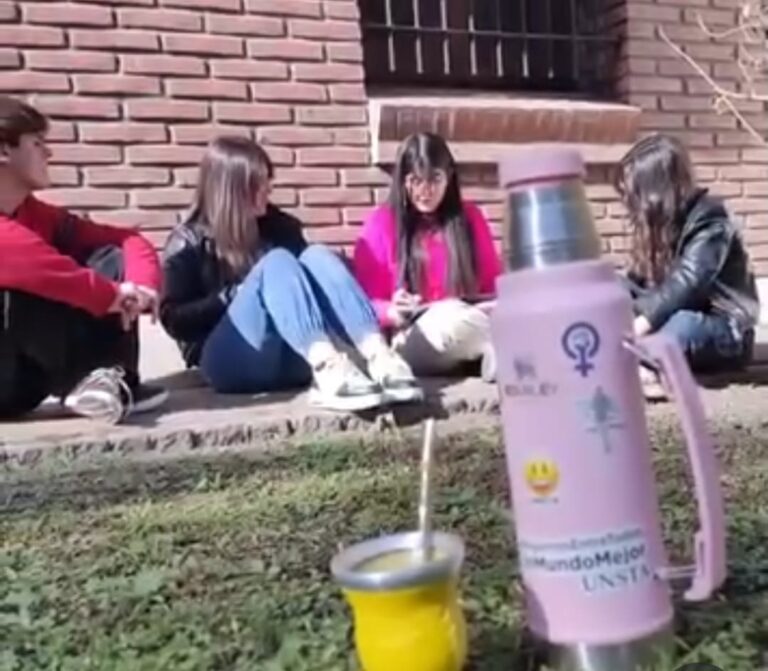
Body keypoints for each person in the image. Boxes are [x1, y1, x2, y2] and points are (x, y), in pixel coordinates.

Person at [159, 135, 421, 412]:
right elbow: (174, 320)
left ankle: (379, 356)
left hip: (293, 357)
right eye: (259, 183)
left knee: (316, 255)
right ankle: (327, 365)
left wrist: (384, 310)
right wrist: (233, 295)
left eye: (267, 181)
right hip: (229, 361)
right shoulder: (189, 241)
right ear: (232, 190)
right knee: (277, 262)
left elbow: (317, 287)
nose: (268, 189)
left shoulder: (280, 227)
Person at [0, 96, 168, 424]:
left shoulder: (34, 213)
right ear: (4, 151)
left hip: (22, 385)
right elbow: (34, 264)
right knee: (16, 287)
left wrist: (144, 286)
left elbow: (126, 240)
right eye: (37, 143)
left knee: (109, 259)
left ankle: (109, 382)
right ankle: (94, 381)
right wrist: (115, 295)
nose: (48, 153)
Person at [615, 134, 760, 397]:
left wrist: (639, 326)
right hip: (672, 314)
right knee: (613, 287)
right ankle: (636, 358)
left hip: (723, 327)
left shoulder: (711, 220)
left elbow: (689, 282)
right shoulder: (660, 225)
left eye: (633, 193)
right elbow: (639, 283)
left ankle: (642, 363)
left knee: (682, 326)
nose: (627, 201)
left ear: (655, 191)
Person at [353, 132, 501, 379]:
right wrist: (392, 310)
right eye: (415, 180)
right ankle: (508, 348)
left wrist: (493, 305)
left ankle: (496, 353)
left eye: (435, 179)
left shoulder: (469, 218)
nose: (425, 191)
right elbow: (361, 305)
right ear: (402, 181)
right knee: (452, 319)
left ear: (449, 178)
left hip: (469, 322)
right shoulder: (382, 223)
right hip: (414, 336)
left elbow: (493, 287)